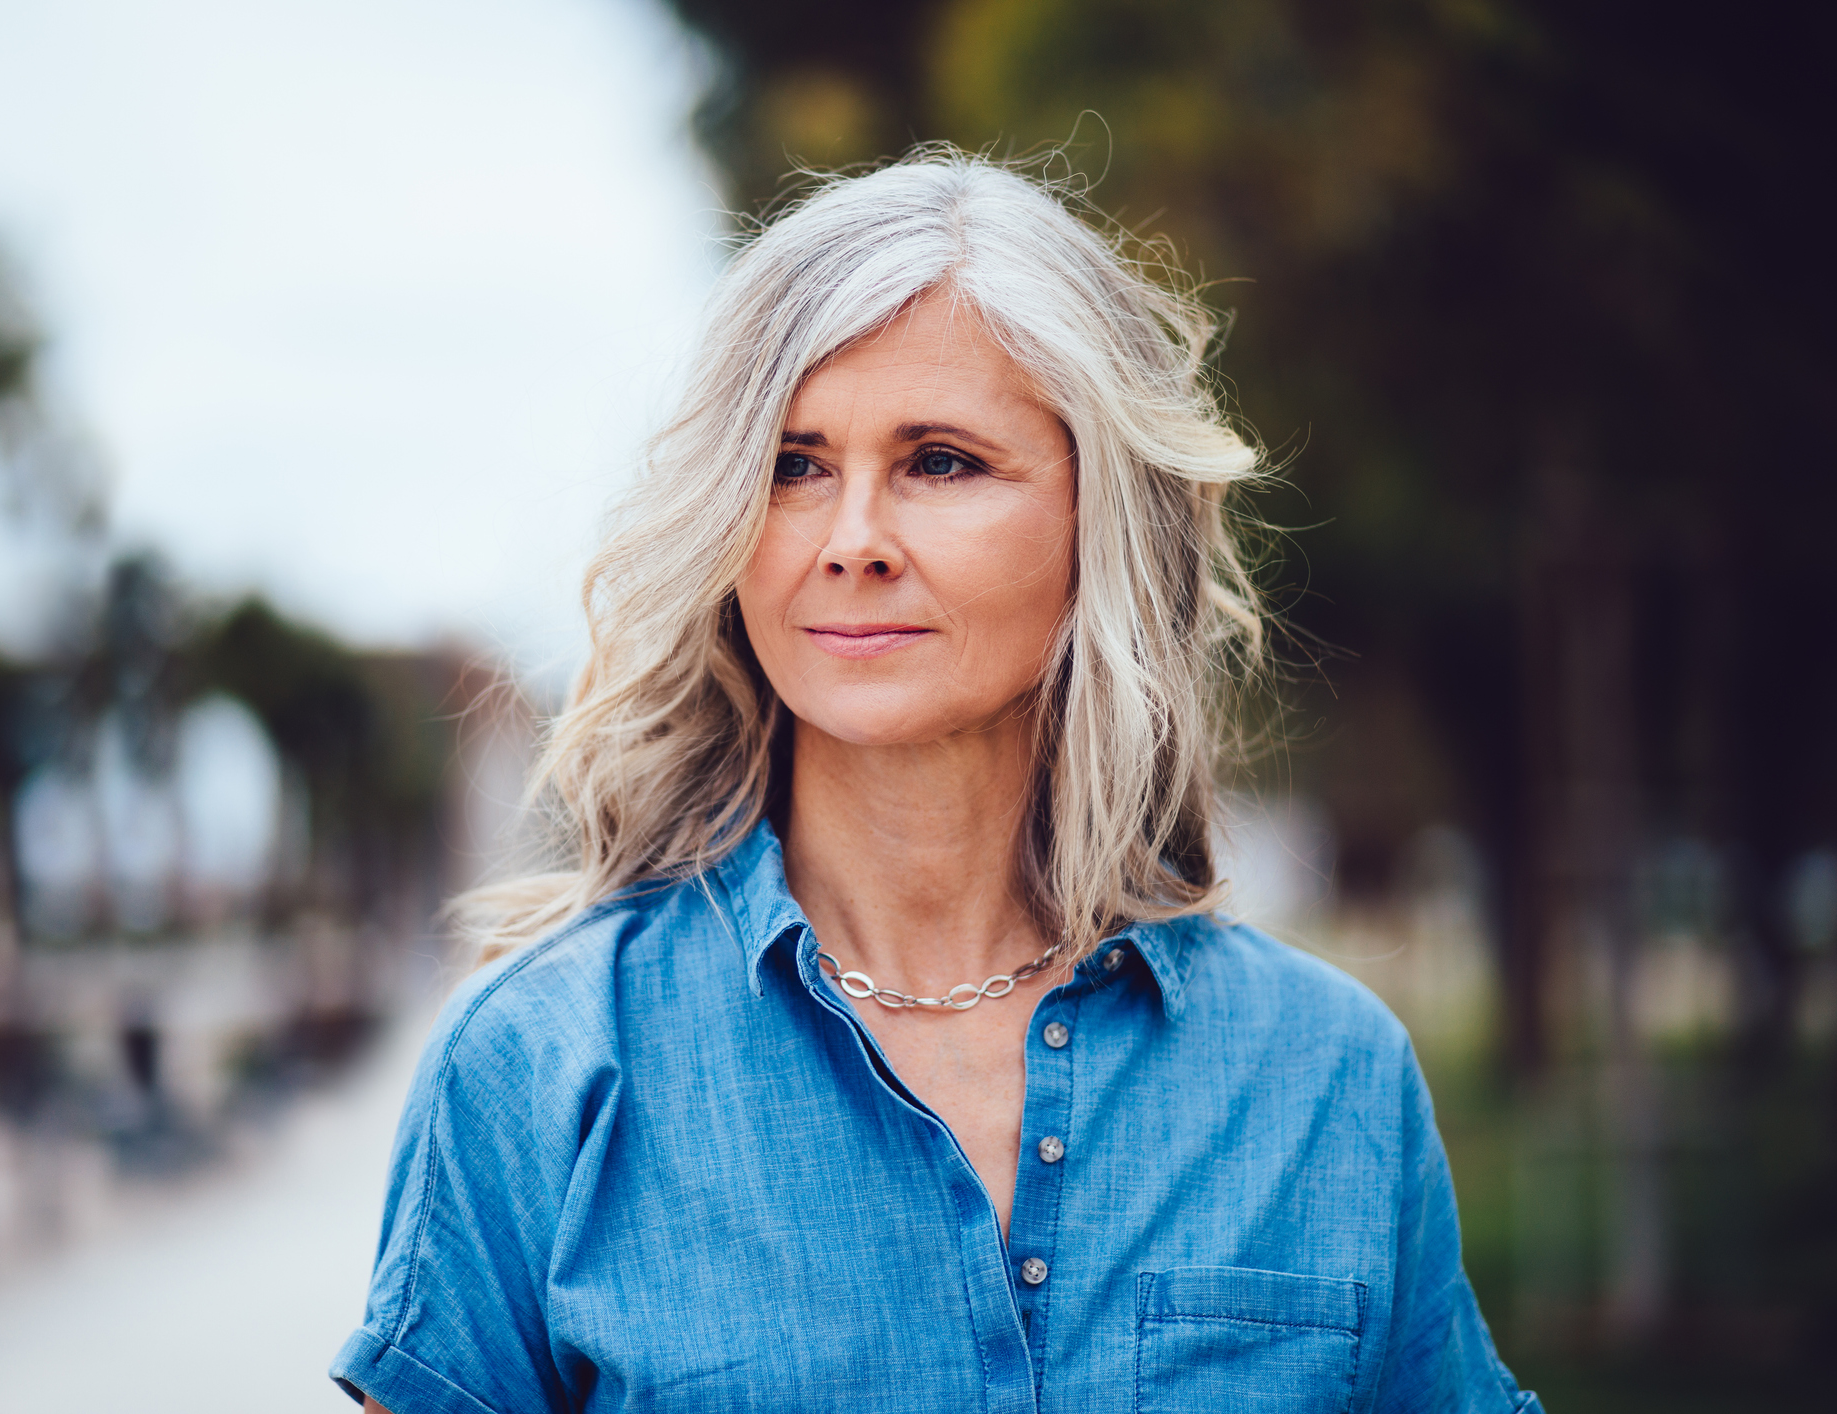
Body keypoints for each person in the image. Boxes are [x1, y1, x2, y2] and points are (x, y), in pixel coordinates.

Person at [330, 149, 1540, 1414]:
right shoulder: (541, 1066)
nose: (850, 541)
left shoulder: (1326, 1075)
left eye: (941, 460)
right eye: (794, 464)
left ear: (1103, 517)